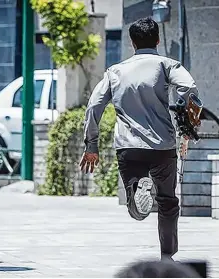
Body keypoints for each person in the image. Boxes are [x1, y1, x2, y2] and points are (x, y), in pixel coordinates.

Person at [79, 17, 199, 260]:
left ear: (132, 43)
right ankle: (167, 256)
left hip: (129, 146)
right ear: (158, 40)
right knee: (168, 202)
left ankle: (137, 189)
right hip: (163, 146)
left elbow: (94, 106)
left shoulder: (115, 71)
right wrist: (188, 128)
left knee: (135, 208)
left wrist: (92, 145)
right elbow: (190, 89)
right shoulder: (167, 65)